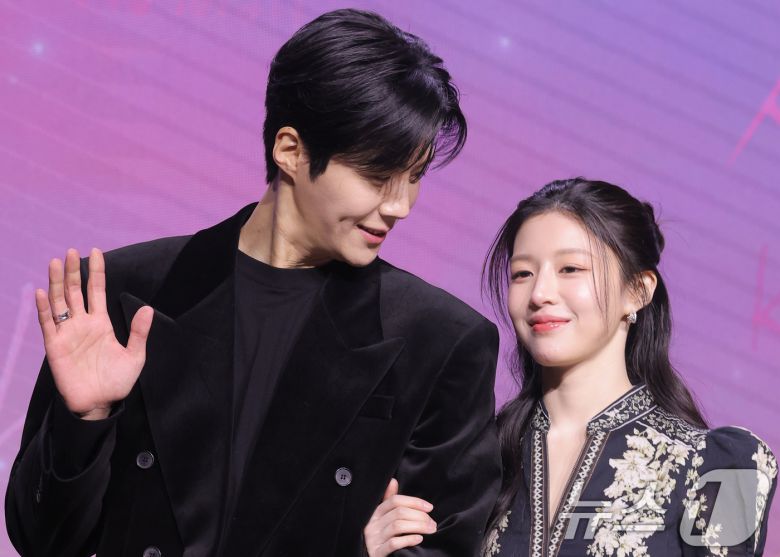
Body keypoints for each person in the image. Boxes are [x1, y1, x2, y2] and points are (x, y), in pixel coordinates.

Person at [5, 9, 501, 557]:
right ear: (290, 150)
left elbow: (439, 546)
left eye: (415, 177)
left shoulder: (441, 341)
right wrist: (85, 421)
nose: (400, 206)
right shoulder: (126, 291)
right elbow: (40, 540)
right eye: (377, 175)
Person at [364, 178, 777, 557]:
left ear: (637, 290)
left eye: (570, 269)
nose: (540, 293)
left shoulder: (722, 467)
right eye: (522, 273)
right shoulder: (471, 455)